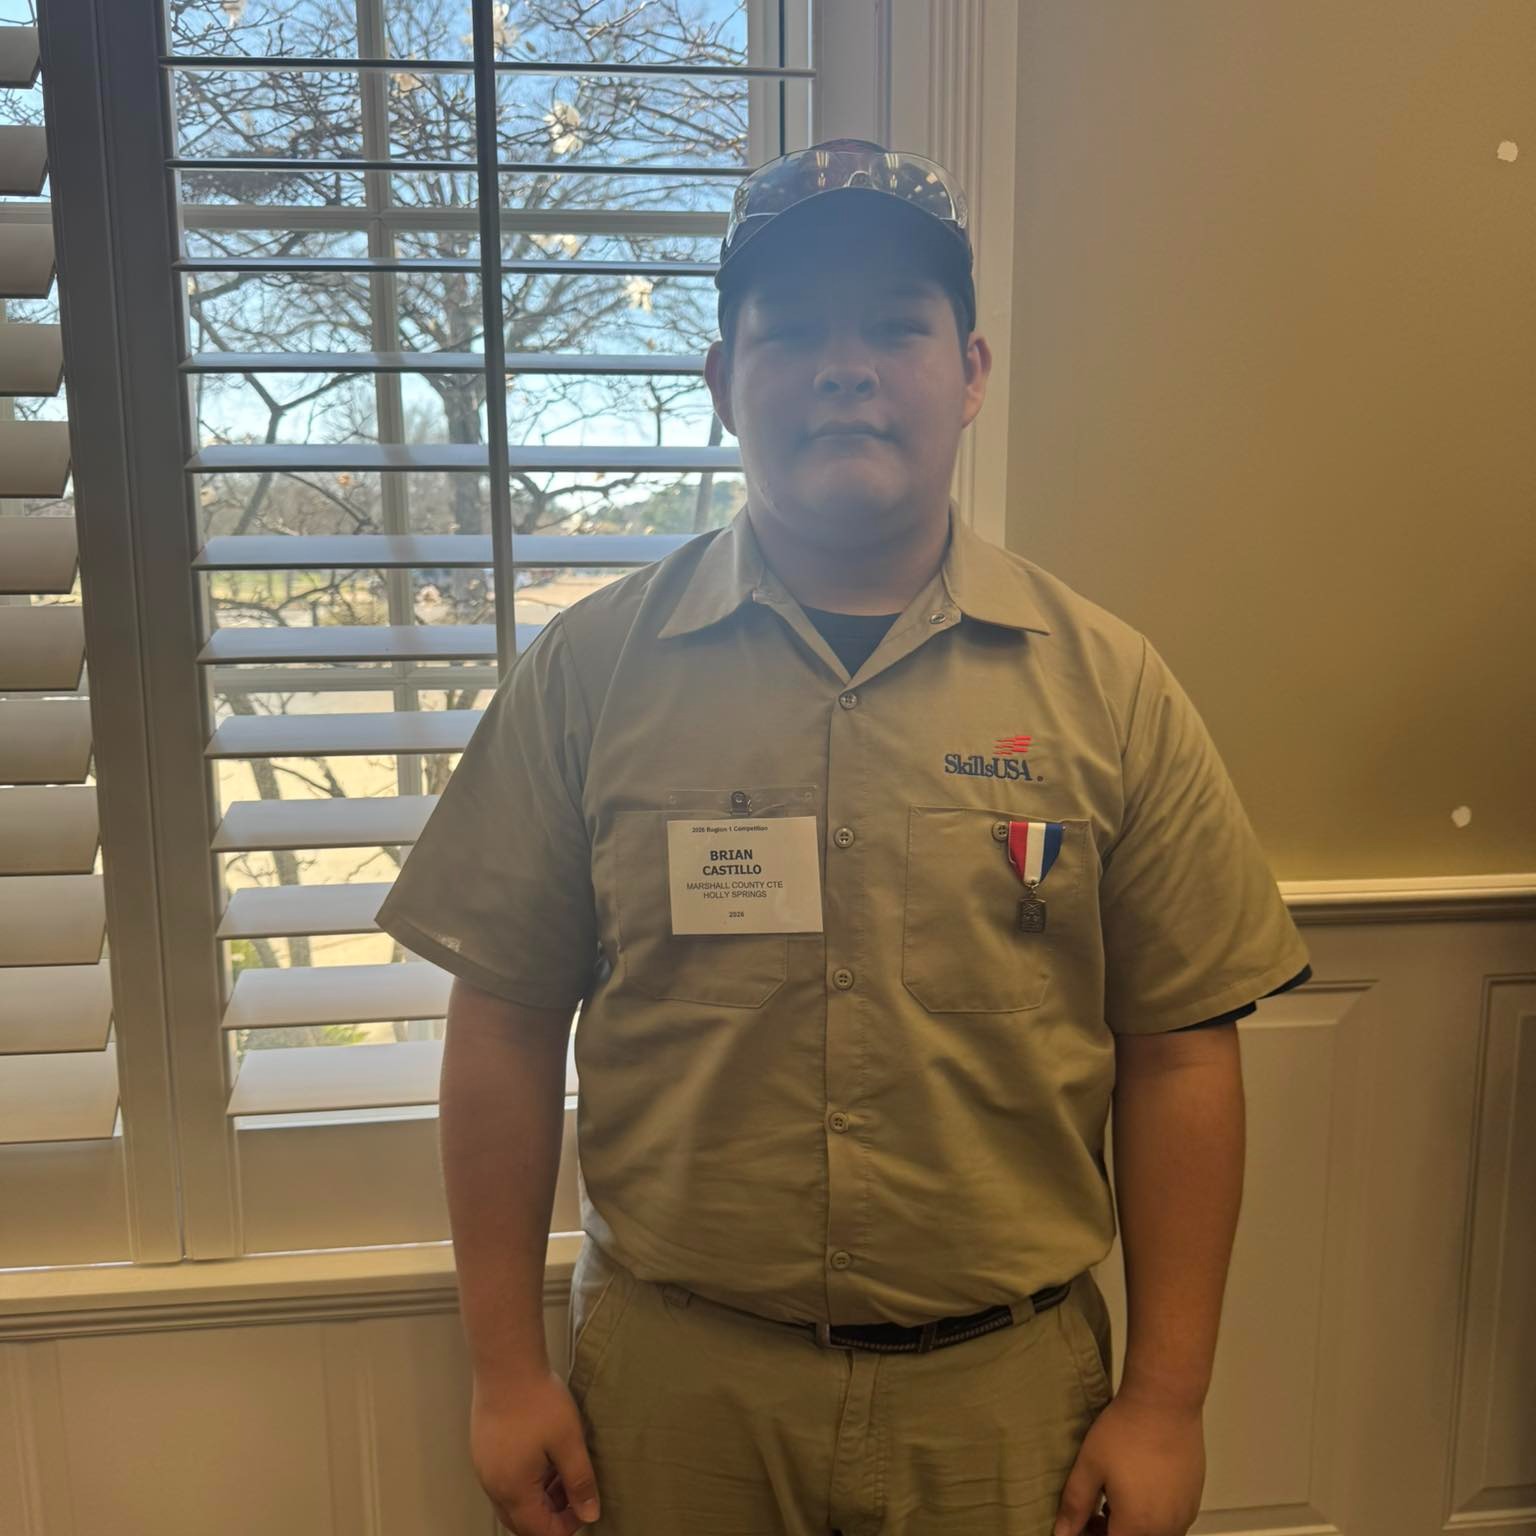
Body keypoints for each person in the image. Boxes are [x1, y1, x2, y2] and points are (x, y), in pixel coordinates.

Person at [374, 137, 1312, 1536]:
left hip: (1010, 1411)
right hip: (673, 1400)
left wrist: (1167, 1402)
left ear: (972, 372)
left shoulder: (1110, 688)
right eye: (794, 331)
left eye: (894, 327)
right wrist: (505, 1374)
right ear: (722, 381)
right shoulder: (589, 676)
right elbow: (503, 1025)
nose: (845, 368)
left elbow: (1180, 1054)